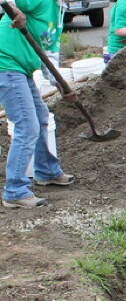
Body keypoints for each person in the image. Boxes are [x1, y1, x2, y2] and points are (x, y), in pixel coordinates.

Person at [0, 0, 75, 209]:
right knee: (27, 125)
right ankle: (14, 190)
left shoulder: (59, 11)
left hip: (21, 69)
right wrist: (14, 9)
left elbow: (48, 52)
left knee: (41, 118)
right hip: (5, 64)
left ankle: (46, 171)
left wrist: (60, 84)